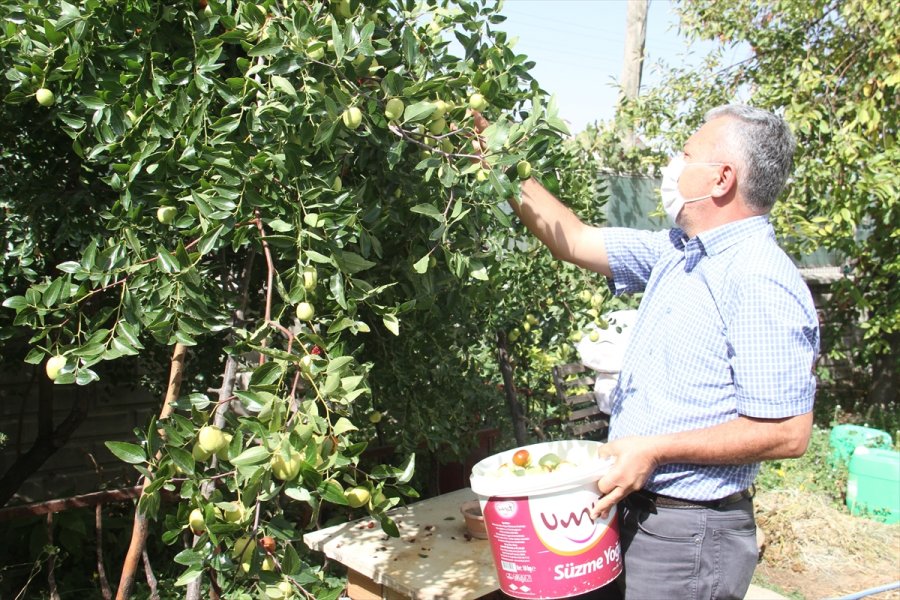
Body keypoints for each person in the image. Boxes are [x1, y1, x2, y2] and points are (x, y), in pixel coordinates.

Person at [499, 105, 820, 599]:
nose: (672, 165)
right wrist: (494, 151)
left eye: (686, 155)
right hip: (637, 512)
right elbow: (575, 239)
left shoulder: (757, 277)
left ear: (721, 179)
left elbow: (787, 432)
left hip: (690, 535)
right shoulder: (679, 253)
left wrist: (655, 449)